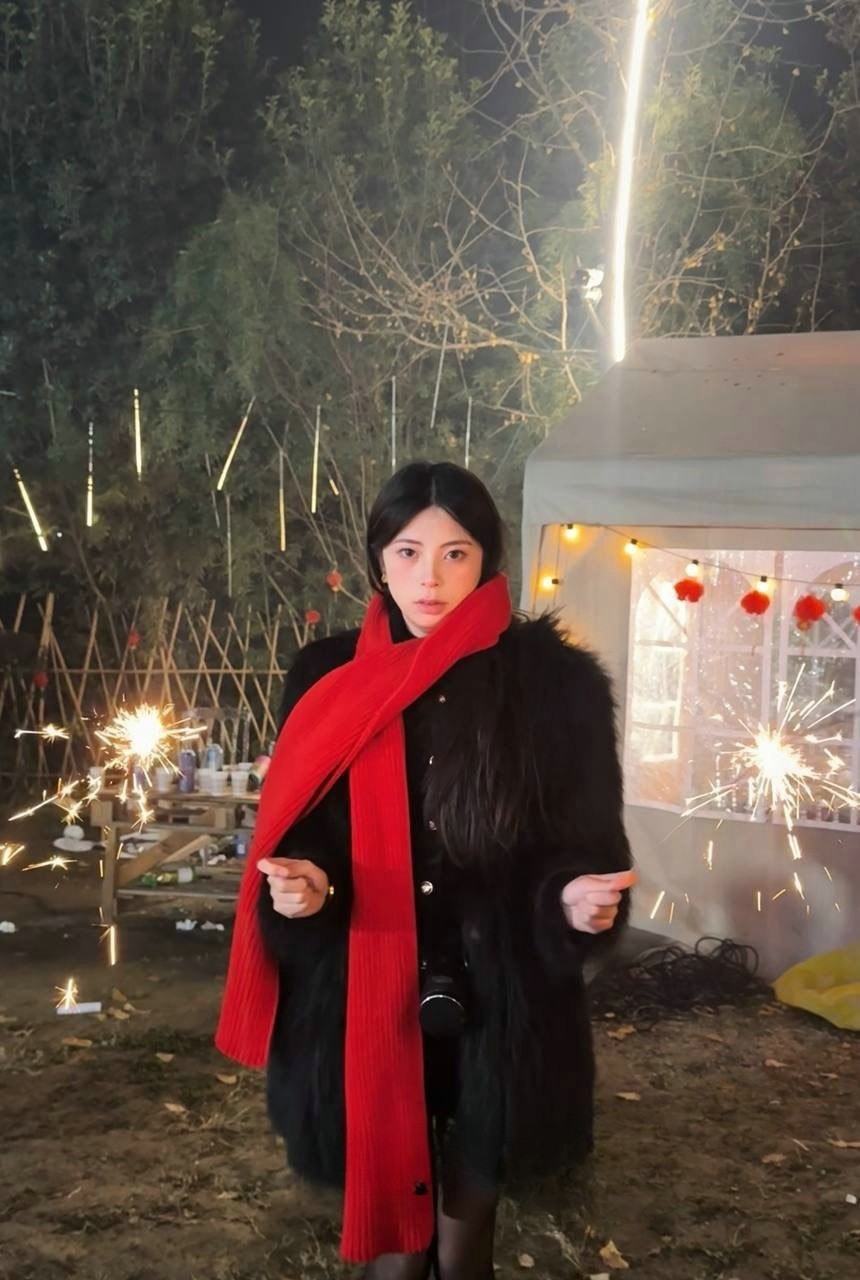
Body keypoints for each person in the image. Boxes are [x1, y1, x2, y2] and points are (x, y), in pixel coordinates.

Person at [216, 461, 635, 1280]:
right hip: (364, 983)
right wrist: (311, 887)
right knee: (396, 1244)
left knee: (466, 1225)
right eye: (408, 552)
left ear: (488, 560)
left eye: (455, 554)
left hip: (503, 990)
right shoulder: (328, 679)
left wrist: (572, 899)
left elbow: (582, 842)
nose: (430, 579)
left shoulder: (556, 687)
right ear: (379, 558)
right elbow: (305, 834)